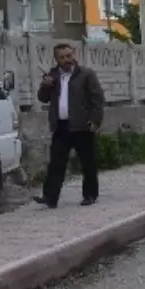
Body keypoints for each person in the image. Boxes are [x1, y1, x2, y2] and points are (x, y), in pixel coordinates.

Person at [34, 43, 104, 209]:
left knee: (87, 163)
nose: (67, 60)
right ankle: (50, 197)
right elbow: (43, 98)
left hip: (83, 126)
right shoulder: (53, 75)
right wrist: (45, 86)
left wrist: (95, 120)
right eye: (62, 57)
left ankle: (90, 195)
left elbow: (97, 99)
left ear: (74, 55)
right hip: (61, 126)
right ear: (56, 60)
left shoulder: (86, 74)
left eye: (69, 56)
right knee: (56, 163)